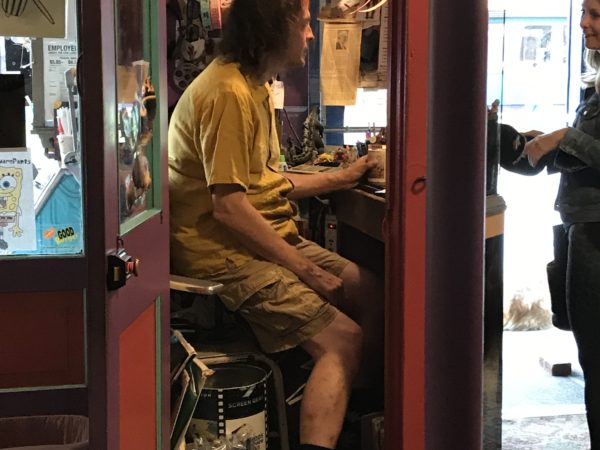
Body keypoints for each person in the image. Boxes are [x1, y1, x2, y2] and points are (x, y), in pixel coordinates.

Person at [168, 1, 383, 449]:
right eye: (304, 25)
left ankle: (347, 408)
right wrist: (307, 271)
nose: (309, 35)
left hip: (255, 238)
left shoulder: (253, 85)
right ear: (274, 26)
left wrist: (341, 176)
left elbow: (263, 182)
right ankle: (326, 404)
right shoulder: (227, 93)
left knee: (371, 291)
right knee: (343, 340)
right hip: (222, 254)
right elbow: (229, 208)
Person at [506, 1, 600, 446]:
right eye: (585, 12)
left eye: (596, 14)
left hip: (598, 236)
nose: (584, 23)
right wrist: (534, 148)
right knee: (590, 354)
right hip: (582, 229)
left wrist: (562, 137)